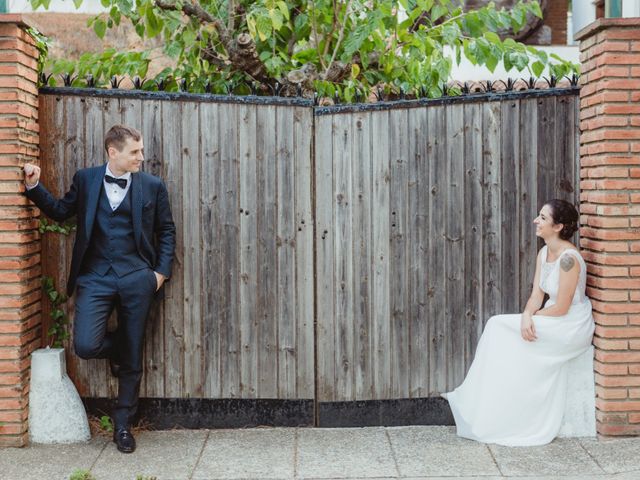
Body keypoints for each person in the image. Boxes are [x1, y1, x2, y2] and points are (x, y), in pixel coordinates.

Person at [23, 125, 176, 453]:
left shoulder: (152, 186)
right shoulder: (87, 179)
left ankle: (122, 426)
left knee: (134, 355)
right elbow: (62, 212)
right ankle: (120, 347)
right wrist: (34, 186)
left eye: (140, 150)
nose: (141, 157)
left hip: (138, 277)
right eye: (135, 152)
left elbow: (166, 229)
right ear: (113, 152)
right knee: (86, 345)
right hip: (95, 277)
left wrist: (159, 273)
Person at [443, 199, 594, 446]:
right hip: (550, 315)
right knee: (498, 327)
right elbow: (537, 295)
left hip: (570, 323)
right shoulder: (544, 252)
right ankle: (487, 406)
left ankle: (507, 415)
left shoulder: (568, 259)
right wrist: (526, 316)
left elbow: (562, 306)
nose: (536, 220)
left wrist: (531, 320)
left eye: (543, 218)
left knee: (497, 326)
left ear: (558, 226)